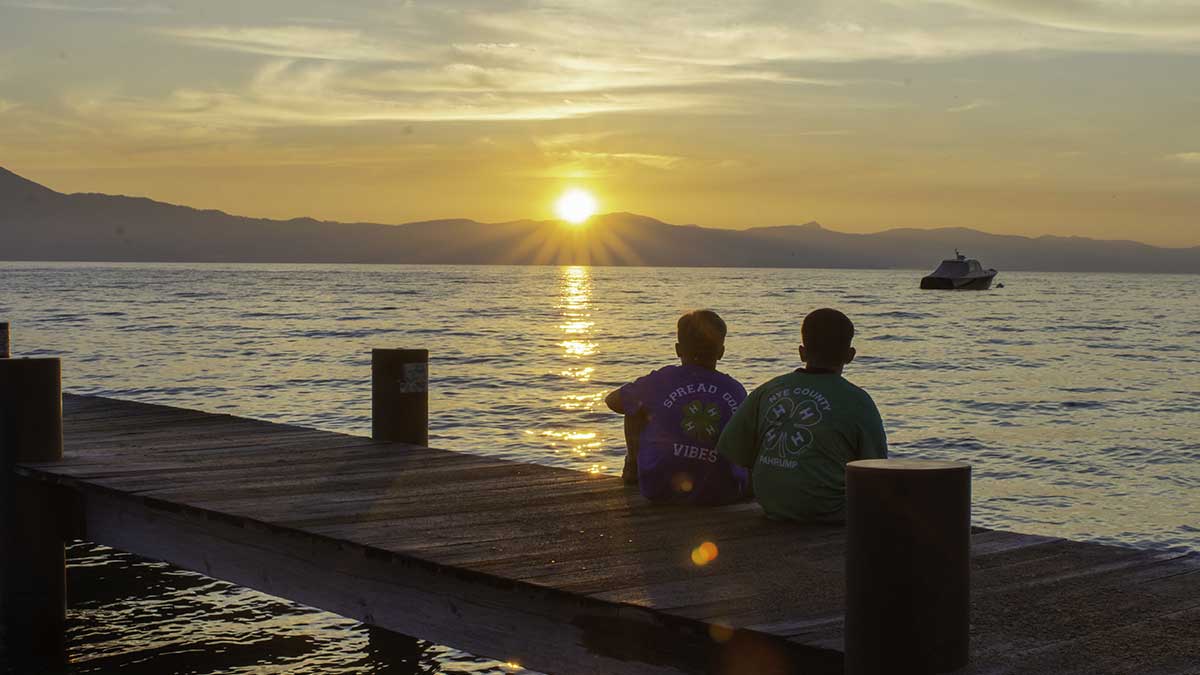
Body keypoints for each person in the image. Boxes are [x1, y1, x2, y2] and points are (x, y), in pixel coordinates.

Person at [716, 308, 887, 522]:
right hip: (830, 510)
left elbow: (731, 447)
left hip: (771, 504)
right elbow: (878, 469)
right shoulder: (859, 401)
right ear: (850, 355)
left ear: (802, 352)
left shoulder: (769, 389)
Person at [605, 310, 750, 505]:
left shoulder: (662, 380)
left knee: (635, 403)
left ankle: (632, 468)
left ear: (678, 350)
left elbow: (613, 401)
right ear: (721, 352)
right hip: (722, 492)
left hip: (660, 487)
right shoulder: (735, 390)